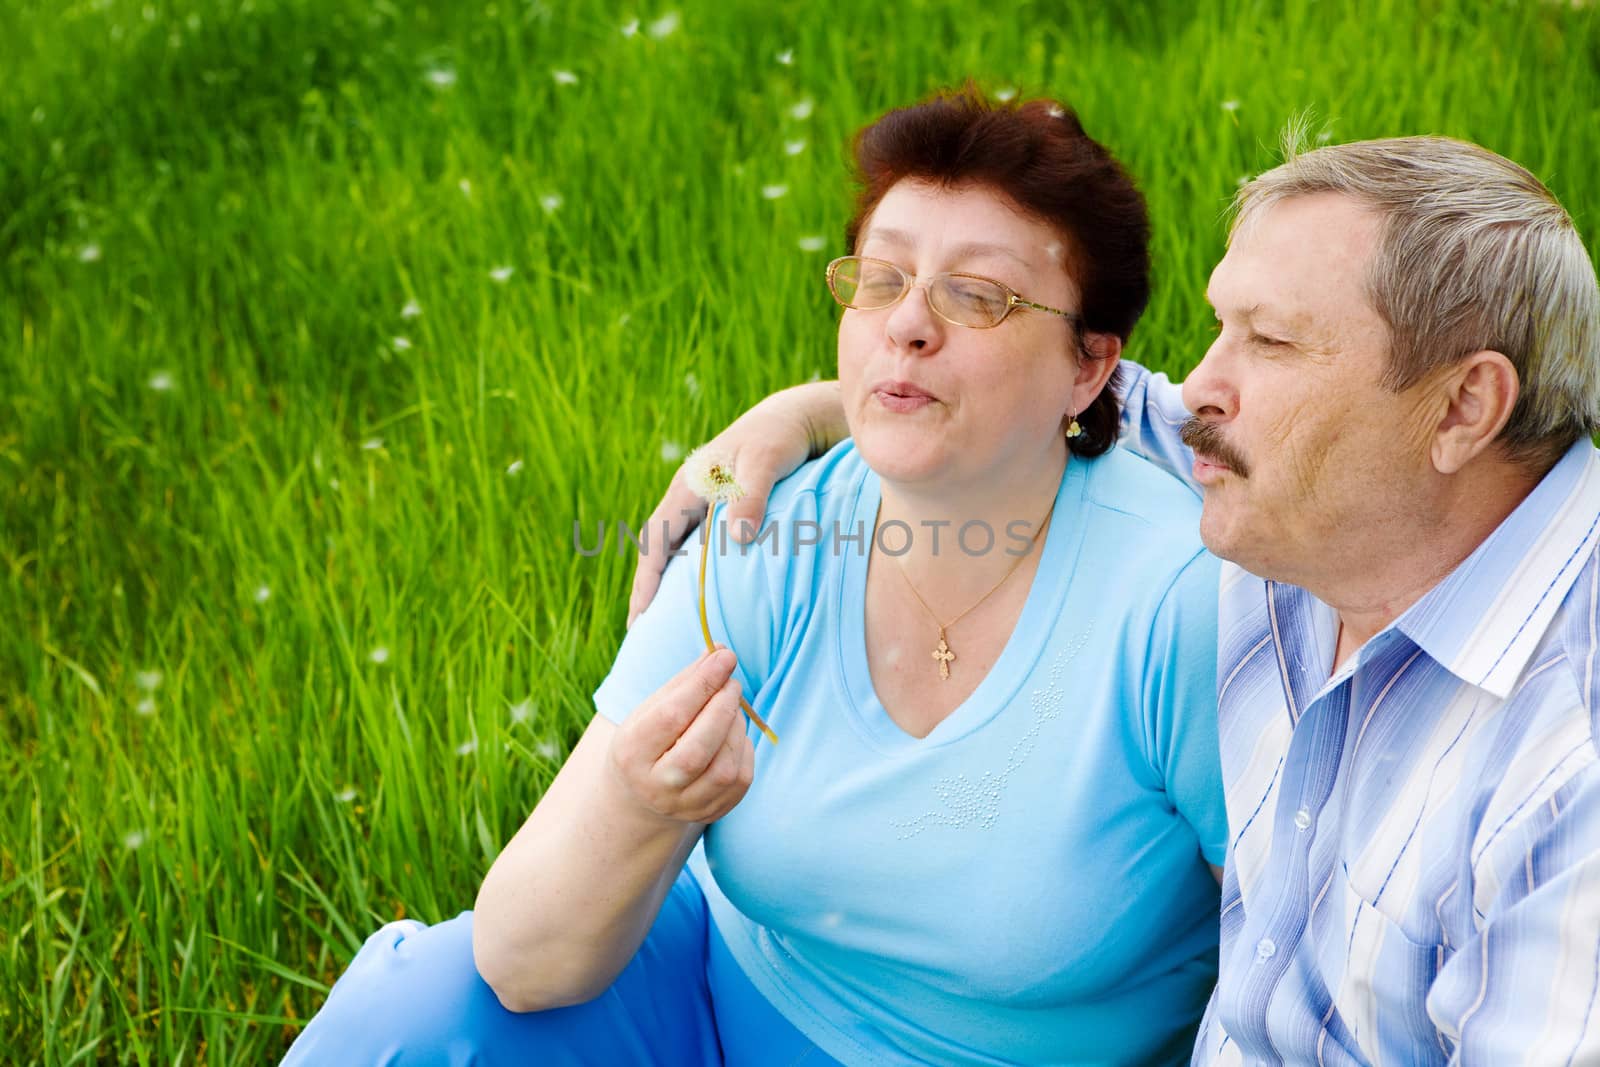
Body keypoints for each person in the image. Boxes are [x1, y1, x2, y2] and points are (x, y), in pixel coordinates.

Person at [283, 89, 1227, 1066]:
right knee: (418, 1016)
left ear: (1088, 368)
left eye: (976, 295)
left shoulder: (1176, 600)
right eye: (881, 277)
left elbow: (1281, 959)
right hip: (713, 1007)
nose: (906, 323)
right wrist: (641, 803)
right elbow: (520, 961)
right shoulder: (765, 525)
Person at [637, 136, 1600, 1061]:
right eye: (1224, 325)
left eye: (1269, 341)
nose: (1200, 388)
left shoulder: (1565, 771)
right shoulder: (1307, 494)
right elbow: (1018, 395)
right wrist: (800, 413)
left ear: (1465, 407)